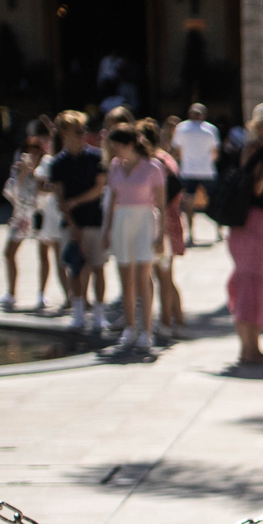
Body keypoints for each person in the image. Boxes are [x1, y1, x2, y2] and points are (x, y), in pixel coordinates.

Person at [224, 103, 263, 371]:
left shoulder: (258, 150)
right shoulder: (258, 151)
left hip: (258, 223)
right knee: (251, 281)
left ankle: (253, 347)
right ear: (256, 127)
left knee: (256, 281)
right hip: (253, 223)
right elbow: (258, 188)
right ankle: (248, 349)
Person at [97, 125, 164, 361]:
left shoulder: (153, 167)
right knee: (126, 279)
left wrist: (161, 235)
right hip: (121, 221)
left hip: (144, 220)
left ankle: (146, 330)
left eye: (117, 146)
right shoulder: (115, 167)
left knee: (143, 279)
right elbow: (111, 201)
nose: (114, 150)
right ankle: (130, 327)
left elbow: (161, 205)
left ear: (129, 144)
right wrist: (106, 230)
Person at [48, 111, 109, 330]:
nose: (82, 134)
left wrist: (73, 203)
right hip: (72, 224)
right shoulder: (57, 164)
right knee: (75, 268)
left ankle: (100, 314)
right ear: (64, 133)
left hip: (94, 220)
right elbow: (59, 198)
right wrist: (72, 224)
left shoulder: (96, 157)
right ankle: (79, 313)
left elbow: (99, 188)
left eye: (83, 130)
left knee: (98, 266)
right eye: (77, 130)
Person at [0, 120, 53, 312]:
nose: (33, 152)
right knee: (9, 253)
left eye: (37, 149)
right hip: (22, 215)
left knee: (43, 254)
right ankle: (11, 294)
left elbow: (47, 192)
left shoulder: (47, 165)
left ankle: (42, 295)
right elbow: (10, 192)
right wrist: (22, 174)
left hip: (40, 215)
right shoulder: (19, 166)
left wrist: (34, 172)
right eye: (29, 148)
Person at [142, 120, 185, 340]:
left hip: (163, 224)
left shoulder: (157, 162)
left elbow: (173, 188)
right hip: (169, 221)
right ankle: (178, 318)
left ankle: (168, 321)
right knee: (166, 275)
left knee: (162, 275)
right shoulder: (164, 157)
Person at [171, 104, 221, 245]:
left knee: (188, 202)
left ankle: (191, 235)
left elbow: (176, 149)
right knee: (214, 199)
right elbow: (215, 152)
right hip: (208, 170)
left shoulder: (181, 128)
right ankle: (218, 231)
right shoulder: (211, 129)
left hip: (188, 170)